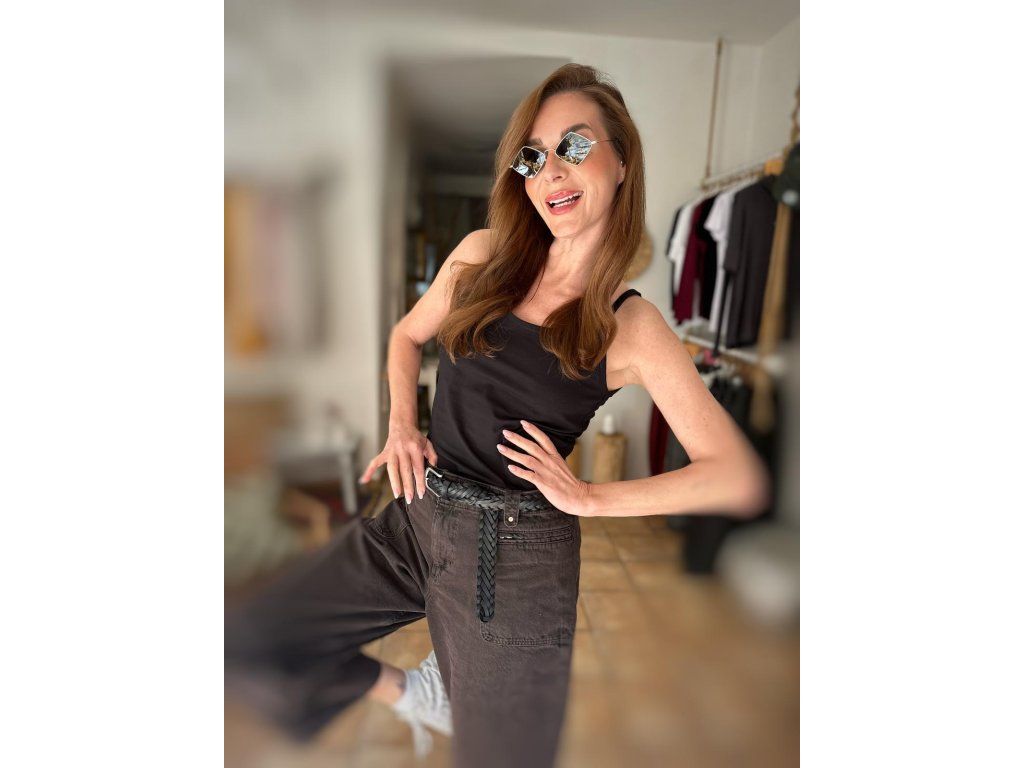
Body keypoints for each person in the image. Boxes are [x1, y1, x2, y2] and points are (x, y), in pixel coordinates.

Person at [224, 63, 770, 768]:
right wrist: (402, 424)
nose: (551, 172)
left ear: (622, 161)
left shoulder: (631, 328)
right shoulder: (483, 256)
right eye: (532, 157)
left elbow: (735, 476)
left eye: (575, 145)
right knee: (250, 640)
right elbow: (406, 336)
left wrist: (591, 498)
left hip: (514, 565)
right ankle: (417, 693)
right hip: (418, 516)